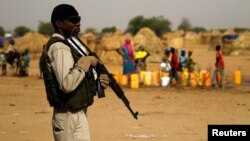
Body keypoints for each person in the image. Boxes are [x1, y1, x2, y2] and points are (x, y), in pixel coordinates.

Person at [41, 4, 109, 141]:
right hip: (68, 117)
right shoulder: (59, 48)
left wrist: (97, 79)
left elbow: (77, 79)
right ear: (59, 23)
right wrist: (86, 62)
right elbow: (67, 84)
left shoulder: (66, 45)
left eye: (79, 19)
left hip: (74, 115)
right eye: (73, 20)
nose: (78, 24)